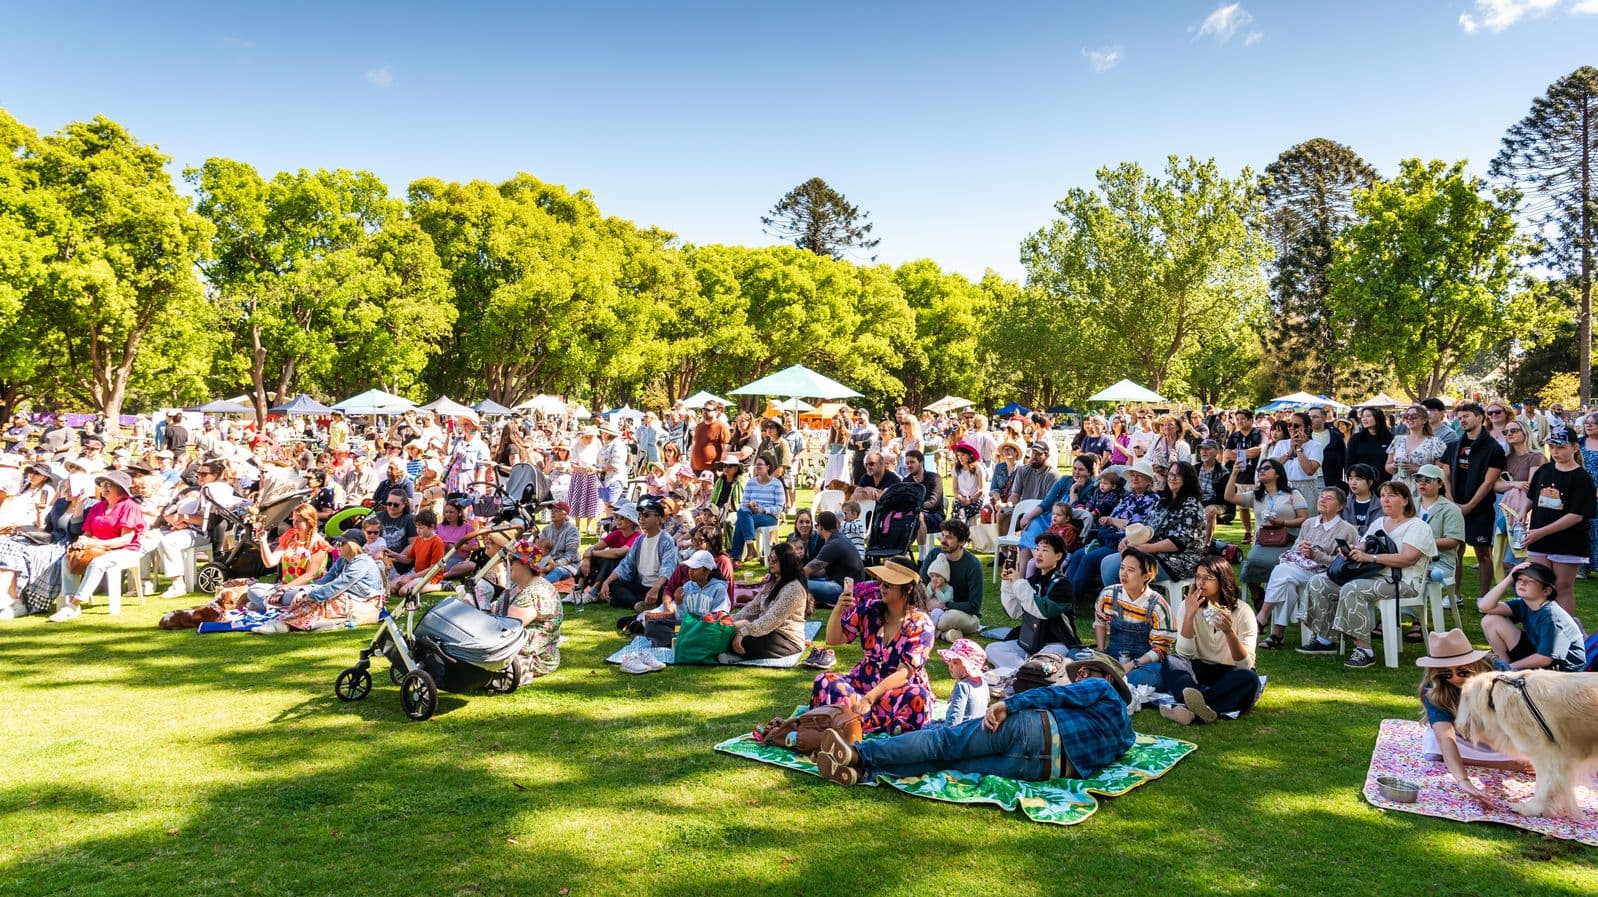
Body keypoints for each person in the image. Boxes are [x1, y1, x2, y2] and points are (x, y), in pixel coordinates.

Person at [809, 650, 1135, 787]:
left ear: (1107, 679)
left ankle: (860, 755)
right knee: (947, 764)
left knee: (943, 742)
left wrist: (1009, 705)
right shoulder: (1126, 736)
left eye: (1087, 672)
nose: (1080, 677)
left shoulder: (1099, 689)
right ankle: (865, 774)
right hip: (1041, 769)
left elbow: (1055, 695)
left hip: (1032, 730)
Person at [1300, 480, 1437, 668]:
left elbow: (1408, 559)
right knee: (1319, 581)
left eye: (1392, 495)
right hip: (1371, 576)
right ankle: (1325, 639)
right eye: (1382, 496)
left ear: (1405, 500)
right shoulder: (1379, 522)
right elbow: (1363, 545)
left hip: (1403, 582)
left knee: (1352, 588)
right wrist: (1351, 551)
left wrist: (1371, 558)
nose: (1385, 500)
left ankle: (1364, 650)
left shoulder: (1417, 526)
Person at [811, 556, 936, 734]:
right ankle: (874, 723)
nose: (881, 588)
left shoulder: (921, 624)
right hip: (863, 681)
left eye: (888, 584)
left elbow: (903, 673)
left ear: (908, 588)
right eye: (880, 582)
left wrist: (869, 699)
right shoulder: (870, 609)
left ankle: (848, 721)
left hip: (896, 689)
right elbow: (834, 639)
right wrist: (838, 609)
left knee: (918, 697)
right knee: (825, 680)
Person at [1413, 628, 1527, 804]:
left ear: (1475, 664)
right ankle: (1508, 763)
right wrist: (1463, 781)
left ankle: (1510, 760)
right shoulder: (1435, 688)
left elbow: (1524, 716)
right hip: (1466, 736)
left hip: (1505, 734)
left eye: (1462, 672)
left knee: (1532, 752)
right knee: (1434, 744)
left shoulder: (1500, 674)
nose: (1455, 678)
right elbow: (1445, 736)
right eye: (1446, 674)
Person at [1158, 557, 1261, 725]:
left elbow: (1245, 664)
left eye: (1207, 577)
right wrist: (1189, 616)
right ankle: (1198, 703)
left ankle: (1190, 709)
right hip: (1198, 669)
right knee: (1172, 661)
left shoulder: (1243, 611)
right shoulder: (1188, 605)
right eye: (1198, 577)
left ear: (1222, 580)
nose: (1201, 582)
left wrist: (1229, 633)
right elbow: (1184, 654)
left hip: (1230, 671)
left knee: (1249, 678)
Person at [1258, 487, 1359, 649]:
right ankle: (1276, 634)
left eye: (1329, 498)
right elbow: (1294, 550)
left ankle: (1263, 616)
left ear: (1339, 507)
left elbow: (1345, 563)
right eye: (1321, 496)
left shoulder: (1347, 530)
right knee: (1287, 583)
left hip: (1325, 574)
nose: (1322, 500)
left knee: (1281, 571)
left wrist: (1316, 555)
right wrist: (1302, 549)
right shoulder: (1309, 523)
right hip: (1301, 569)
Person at [49, 471, 146, 622]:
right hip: (97, 548)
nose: (104, 488)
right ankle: (70, 601)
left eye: (109, 485)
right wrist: (83, 540)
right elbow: (87, 532)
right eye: (102, 485)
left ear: (120, 488)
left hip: (125, 550)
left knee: (98, 563)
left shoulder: (129, 506)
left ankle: (74, 605)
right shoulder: (98, 507)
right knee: (68, 558)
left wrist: (97, 543)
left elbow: (126, 539)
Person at [1520, 425, 1596, 617]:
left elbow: (1576, 515)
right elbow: (1532, 496)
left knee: (1561, 587)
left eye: (1561, 447)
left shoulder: (1582, 478)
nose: (1555, 452)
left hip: (1568, 541)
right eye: (1552, 446)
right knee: (1537, 584)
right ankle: (1540, 627)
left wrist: (1541, 531)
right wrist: (1522, 513)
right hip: (1538, 538)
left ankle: (1565, 631)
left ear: (1575, 447)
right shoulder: (1544, 469)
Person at [1100, 461, 1207, 587]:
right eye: (1170, 474)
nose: (1172, 478)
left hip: (1178, 561)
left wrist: (1149, 548)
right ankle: (1123, 603)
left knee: (1116, 569)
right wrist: (1128, 538)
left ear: (1188, 479)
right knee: (1107, 562)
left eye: (1178, 475)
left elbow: (1181, 541)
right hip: (1154, 554)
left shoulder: (1191, 505)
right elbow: (1146, 526)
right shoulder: (1163, 501)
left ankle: (1128, 604)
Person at [257, 534, 387, 633]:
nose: (337, 546)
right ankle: (287, 621)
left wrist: (310, 595)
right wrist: (304, 591)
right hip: (348, 595)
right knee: (313, 595)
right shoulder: (344, 560)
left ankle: (286, 623)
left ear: (353, 545)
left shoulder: (361, 562)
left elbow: (339, 584)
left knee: (320, 599)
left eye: (341, 543)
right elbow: (325, 580)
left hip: (364, 600)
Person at [990, 531, 1080, 670]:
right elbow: (1015, 612)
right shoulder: (1032, 580)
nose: (1038, 554)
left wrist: (1019, 582)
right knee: (993, 649)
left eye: (1044, 550)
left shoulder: (1063, 584)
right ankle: (1024, 670)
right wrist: (1007, 584)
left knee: (1042, 663)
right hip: (1031, 641)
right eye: (1037, 549)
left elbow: (1042, 611)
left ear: (1058, 556)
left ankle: (1024, 670)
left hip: (1056, 643)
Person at [1224, 459, 1308, 606]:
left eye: (1266, 468)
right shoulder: (1257, 495)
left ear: (1277, 474)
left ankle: (1274, 601)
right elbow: (1229, 497)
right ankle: (1258, 598)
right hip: (1263, 541)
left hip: (1288, 539)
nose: (1261, 471)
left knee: (1273, 563)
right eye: (1259, 469)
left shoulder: (1292, 494)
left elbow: (1304, 518)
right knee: (1249, 563)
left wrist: (1282, 523)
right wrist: (1234, 474)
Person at [1443, 403, 1506, 598]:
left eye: (1467, 416)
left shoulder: (1493, 448)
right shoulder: (1454, 446)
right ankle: (1455, 595)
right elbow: (1445, 475)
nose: (1462, 420)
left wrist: (1469, 506)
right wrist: (1451, 500)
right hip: (1454, 506)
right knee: (1455, 552)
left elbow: (1489, 482)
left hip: (1480, 509)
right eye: (1460, 417)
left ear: (1480, 418)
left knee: (1483, 553)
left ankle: (1484, 596)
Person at [1477, 561, 1586, 672]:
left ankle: (1506, 670)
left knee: (1491, 621)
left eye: (1530, 581)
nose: (1522, 583)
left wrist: (1511, 667)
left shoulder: (1551, 615)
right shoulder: (1524, 604)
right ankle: (1504, 667)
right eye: (1519, 579)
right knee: (1490, 620)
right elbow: (1484, 607)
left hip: (1561, 670)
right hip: (1540, 655)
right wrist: (1509, 578)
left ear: (1546, 591)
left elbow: (1545, 658)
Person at [1092, 547, 1174, 690]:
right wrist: (1100, 651)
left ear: (1146, 577)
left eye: (1130, 570)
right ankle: (1114, 680)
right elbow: (1100, 621)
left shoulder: (1158, 605)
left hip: (1144, 663)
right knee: (1074, 656)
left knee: (1156, 675)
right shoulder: (1109, 594)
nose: (1123, 574)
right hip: (1113, 656)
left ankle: (1106, 680)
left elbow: (1161, 649)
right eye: (1122, 568)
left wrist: (1132, 665)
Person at [728, 541, 811, 661]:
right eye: (770, 558)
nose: (771, 562)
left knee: (742, 639)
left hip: (786, 638)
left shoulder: (794, 588)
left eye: (775, 559)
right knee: (728, 632)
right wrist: (729, 621)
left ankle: (736, 654)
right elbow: (753, 607)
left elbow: (772, 618)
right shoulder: (773, 581)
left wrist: (743, 632)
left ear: (786, 561)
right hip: (767, 630)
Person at [245, 503, 334, 610]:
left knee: (295, 597)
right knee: (253, 589)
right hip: (283, 587)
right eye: (293, 520)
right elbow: (270, 563)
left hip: (304, 589)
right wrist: (263, 541)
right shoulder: (290, 536)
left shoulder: (318, 544)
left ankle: (270, 605)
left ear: (310, 522)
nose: (294, 524)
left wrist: (284, 589)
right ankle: (278, 606)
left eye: (299, 521)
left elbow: (310, 575)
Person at [498, 539, 564, 678]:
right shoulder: (519, 586)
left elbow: (507, 626)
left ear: (524, 564)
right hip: (516, 650)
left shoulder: (535, 592)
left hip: (534, 657)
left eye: (511, 561)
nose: (506, 565)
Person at [600, 498, 679, 609]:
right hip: (641, 584)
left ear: (658, 519)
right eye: (640, 515)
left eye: (646, 515)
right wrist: (606, 582)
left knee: (665, 593)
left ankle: (629, 602)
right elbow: (626, 564)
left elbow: (668, 568)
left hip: (658, 586)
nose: (641, 518)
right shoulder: (640, 539)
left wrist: (655, 589)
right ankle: (637, 604)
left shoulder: (666, 540)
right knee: (614, 584)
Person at [918, 518, 984, 642]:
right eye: (943, 535)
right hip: (931, 607)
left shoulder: (973, 565)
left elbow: (974, 606)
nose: (943, 540)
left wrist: (946, 605)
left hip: (960, 613)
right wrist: (927, 603)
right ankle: (946, 635)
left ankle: (933, 629)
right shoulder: (933, 555)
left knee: (948, 618)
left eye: (949, 537)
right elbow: (921, 584)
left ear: (962, 542)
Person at [1413, 465, 1466, 597]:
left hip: (1440, 561)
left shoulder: (1451, 509)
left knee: (1412, 578)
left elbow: (1453, 541)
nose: (1422, 483)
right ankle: (1402, 613)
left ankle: (1413, 613)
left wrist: (1420, 543)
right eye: (1418, 479)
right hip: (1411, 558)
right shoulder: (1409, 505)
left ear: (1440, 484)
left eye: (1428, 480)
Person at [802, 510, 865, 608]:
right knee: (804, 579)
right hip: (850, 586)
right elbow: (821, 570)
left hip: (846, 590)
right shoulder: (839, 538)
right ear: (836, 524)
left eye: (816, 526)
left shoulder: (833, 543)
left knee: (797, 584)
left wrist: (789, 578)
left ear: (820, 527)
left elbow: (811, 568)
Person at [729, 456, 785, 562]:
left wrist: (763, 510)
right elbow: (743, 504)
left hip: (770, 517)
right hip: (751, 514)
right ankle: (750, 548)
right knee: (742, 512)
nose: (757, 467)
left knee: (741, 521)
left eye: (760, 464)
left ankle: (737, 556)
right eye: (756, 464)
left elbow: (779, 507)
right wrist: (749, 504)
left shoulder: (776, 484)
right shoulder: (751, 483)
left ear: (768, 467)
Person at [1223, 409, 1265, 542]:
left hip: (1257, 476)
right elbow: (1227, 454)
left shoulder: (1259, 433)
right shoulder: (1234, 436)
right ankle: (1248, 532)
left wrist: (1239, 453)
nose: (1240, 421)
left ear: (1250, 420)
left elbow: (1259, 450)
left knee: (1260, 506)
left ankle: (1262, 531)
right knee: (1243, 507)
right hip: (1240, 476)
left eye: (1243, 419)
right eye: (1238, 419)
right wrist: (1247, 453)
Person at [931, 639, 990, 729]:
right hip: (975, 730)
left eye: (955, 663)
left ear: (967, 667)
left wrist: (944, 736)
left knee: (923, 728)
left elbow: (954, 719)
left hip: (961, 733)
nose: (950, 665)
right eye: (950, 661)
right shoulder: (982, 682)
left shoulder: (963, 686)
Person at [1270, 412, 1324, 509]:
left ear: (1307, 428)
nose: (1292, 428)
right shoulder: (1281, 444)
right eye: (1289, 425)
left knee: (1306, 521)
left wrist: (1298, 448)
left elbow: (1309, 470)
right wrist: (1290, 451)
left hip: (1306, 488)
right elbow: (1272, 467)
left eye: (1296, 426)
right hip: (1284, 487)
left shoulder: (1315, 446)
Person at [389, 508, 447, 594]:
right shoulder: (419, 539)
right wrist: (394, 555)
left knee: (404, 591)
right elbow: (408, 559)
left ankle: (441, 586)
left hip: (431, 576)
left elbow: (433, 569)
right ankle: (414, 583)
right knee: (392, 588)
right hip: (416, 573)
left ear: (432, 526)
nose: (418, 530)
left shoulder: (437, 542)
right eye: (417, 527)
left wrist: (411, 577)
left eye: (421, 528)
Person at [1388, 405, 1448, 488]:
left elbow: (1442, 470)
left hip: (1423, 489)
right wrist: (1393, 466)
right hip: (1399, 488)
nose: (1409, 418)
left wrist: (1417, 469)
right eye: (1406, 416)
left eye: (1414, 416)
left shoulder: (1435, 442)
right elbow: (1387, 466)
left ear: (1424, 420)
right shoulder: (1398, 440)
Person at [902, 449, 945, 541]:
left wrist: (916, 508)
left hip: (935, 515)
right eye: (907, 463)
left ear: (921, 463)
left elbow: (933, 501)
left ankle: (921, 553)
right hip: (912, 514)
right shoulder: (906, 481)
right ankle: (898, 551)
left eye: (912, 462)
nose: (909, 465)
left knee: (918, 517)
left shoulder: (934, 478)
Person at [1346, 407, 1394, 486]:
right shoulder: (1356, 439)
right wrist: (1351, 481)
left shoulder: (1390, 439)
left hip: (1385, 484)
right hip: (1361, 483)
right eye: (1362, 416)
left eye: (1368, 416)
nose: (1364, 419)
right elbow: (1349, 462)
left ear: (1377, 418)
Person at [1341, 464, 1382, 532]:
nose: (1353, 483)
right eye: (1350, 479)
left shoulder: (1380, 504)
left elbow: (1377, 530)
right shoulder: (1344, 503)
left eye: (1358, 479)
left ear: (1370, 482)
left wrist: (1356, 529)